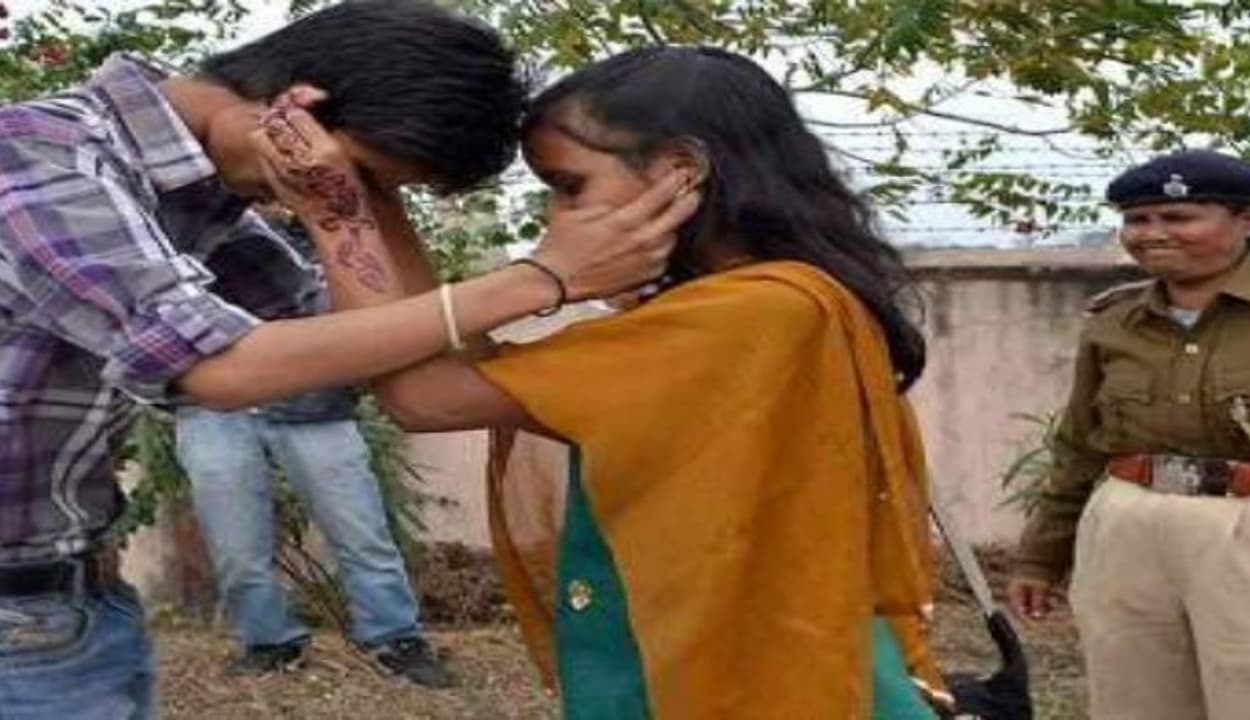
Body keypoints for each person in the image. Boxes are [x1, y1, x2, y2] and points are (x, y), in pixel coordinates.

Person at [0, 1, 694, 716]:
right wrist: (543, 278)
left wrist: (348, 209)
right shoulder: (39, 151)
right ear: (298, 109)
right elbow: (220, 367)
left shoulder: (197, 197)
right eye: (370, 176)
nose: (360, 194)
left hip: (73, 598)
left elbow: (365, 337)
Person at [257, 45, 946, 719]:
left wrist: (337, 215)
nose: (554, 218)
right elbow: (452, 362)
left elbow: (425, 396)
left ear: (680, 172)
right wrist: (377, 202)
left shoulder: (752, 314)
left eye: (570, 187)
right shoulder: (774, 300)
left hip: (757, 684)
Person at [1008, 150, 1250, 719]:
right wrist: (1041, 557)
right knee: (1134, 699)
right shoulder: (1114, 323)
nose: (1153, 234)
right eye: (1137, 219)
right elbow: (1079, 445)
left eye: (1178, 217)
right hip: (1127, 527)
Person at [174, 215, 447, 684]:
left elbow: (358, 314)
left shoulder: (326, 230)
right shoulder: (174, 222)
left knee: (361, 532)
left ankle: (396, 639)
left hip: (315, 403)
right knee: (235, 548)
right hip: (213, 406)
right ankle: (270, 644)